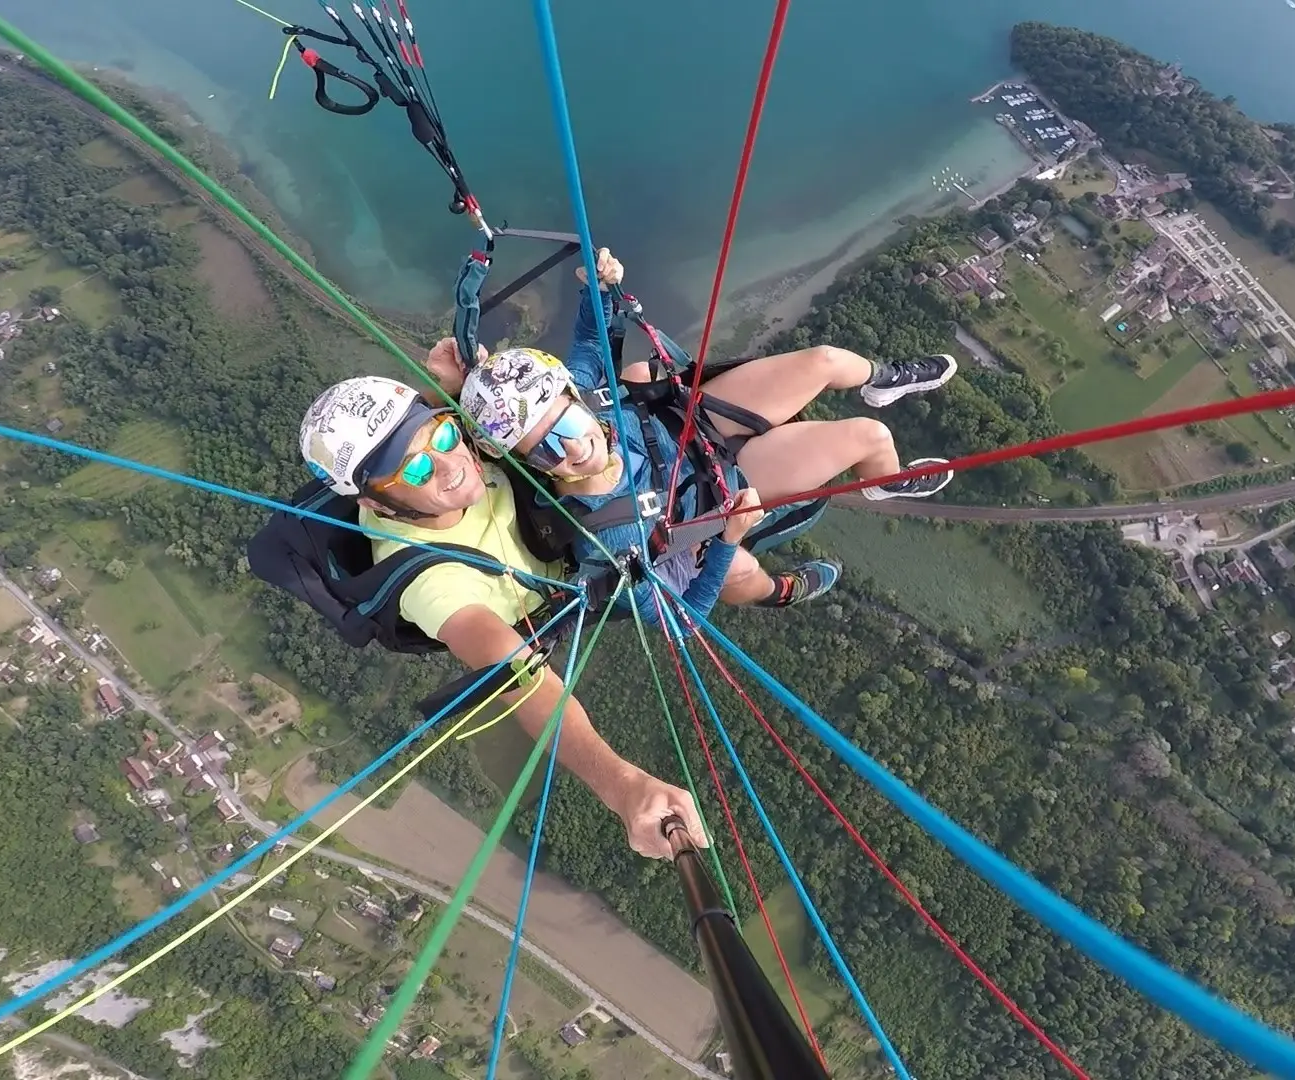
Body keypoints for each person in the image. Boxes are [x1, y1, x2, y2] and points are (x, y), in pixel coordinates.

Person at [295, 374, 708, 860]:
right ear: (371, 502)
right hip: (585, 577)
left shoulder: (452, 450)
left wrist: (463, 381)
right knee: (735, 566)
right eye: (415, 471)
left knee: (640, 376)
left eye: (445, 436)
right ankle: (774, 590)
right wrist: (622, 785)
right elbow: (522, 679)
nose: (450, 466)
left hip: (577, 514)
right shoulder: (430, 584)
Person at [433, 246, 959, 618]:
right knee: (866, 440)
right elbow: (682, 619)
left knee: (822, 361)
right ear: (527, 462)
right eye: (546, 447)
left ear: (572, 397)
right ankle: (780, 590)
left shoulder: (581, 393)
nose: (573, 446)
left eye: (567, 422)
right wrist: (727, 541)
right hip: (713, 498)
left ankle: (882, 381)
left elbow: (592, 346)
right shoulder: (609, 544)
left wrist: (603, 292)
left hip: (691, 424)